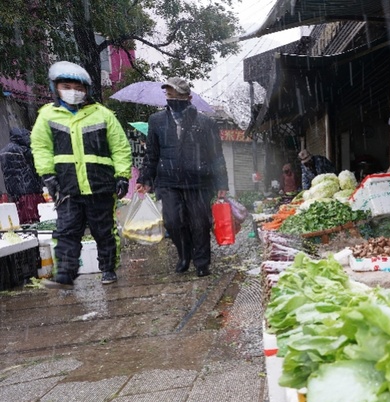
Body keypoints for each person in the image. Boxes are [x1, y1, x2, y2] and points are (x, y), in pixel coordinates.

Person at [31, 61, 132, 289]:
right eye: (66, 86)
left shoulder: (103, 115)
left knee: (104, 232)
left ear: (87, 90)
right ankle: (65, 275)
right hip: (67, 186)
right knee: (66, 232)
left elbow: (120, 147)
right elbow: (41, 147)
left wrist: (122, 176)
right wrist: (47, 175)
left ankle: (108, 269)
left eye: (79, 88)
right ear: (55, 87)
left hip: (101, 185)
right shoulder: (47, 115)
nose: (73, 92)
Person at [136, 77, 228, 277]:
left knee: (200, 223)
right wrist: (144, 178)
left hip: (199, 181)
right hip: (168, 182)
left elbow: (216, 156)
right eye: (169, 94)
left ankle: (202, 262)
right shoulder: (156, 120)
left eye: (177, 95)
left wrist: (222, 183)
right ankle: (184, 255)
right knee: (173, 222)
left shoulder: (205, 123)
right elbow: (152, 153)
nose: (173, 98)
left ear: (189, 97)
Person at [0, 127, 45, 224]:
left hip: (14, 192)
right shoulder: (24, 149)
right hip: (30, 190)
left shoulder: (4, 151)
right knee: (36, 218)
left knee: (22, 218)